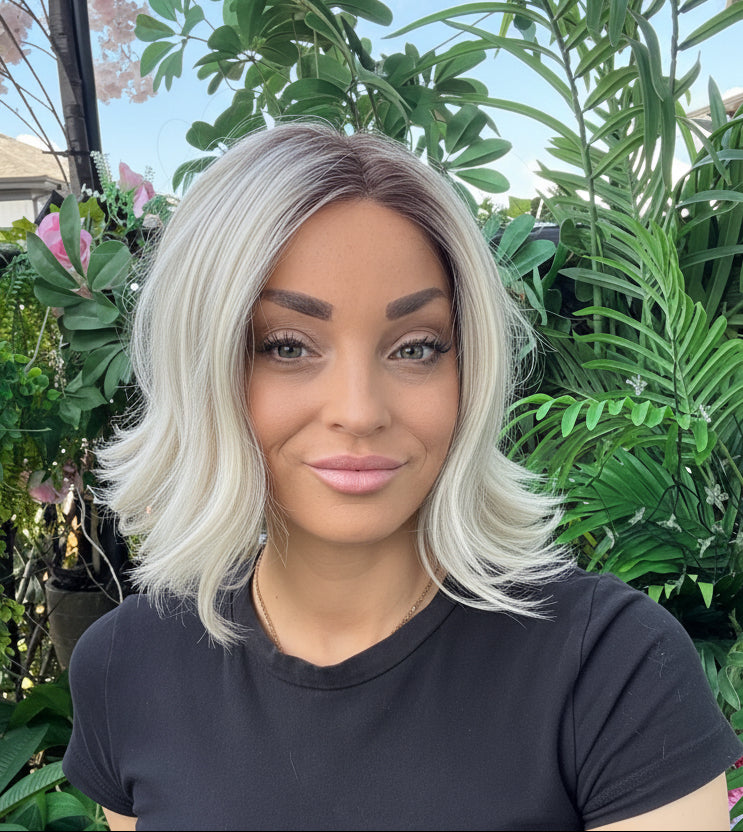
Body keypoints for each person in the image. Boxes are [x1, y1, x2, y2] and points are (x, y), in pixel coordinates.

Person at [62, 122, 741, 831]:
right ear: (202, 364)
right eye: (287, 346)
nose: (359, 412)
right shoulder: (126, 666)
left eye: (415, 347)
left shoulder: (610, 667)